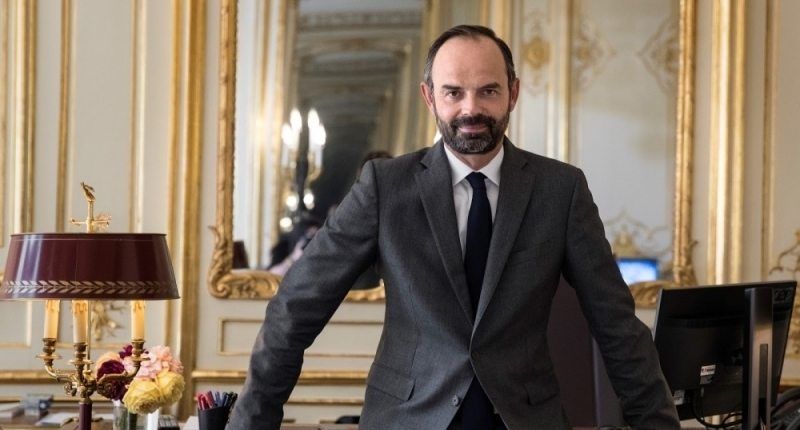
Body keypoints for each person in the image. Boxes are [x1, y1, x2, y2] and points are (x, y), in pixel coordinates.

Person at [229, 25, 679, 429]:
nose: (471, 108)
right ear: (429, 97)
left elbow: (617, 325)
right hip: (407, 419)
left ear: (513, 93)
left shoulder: (560, 190)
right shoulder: (384, 187)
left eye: (488, 91)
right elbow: (295, 309)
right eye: (453, 93)